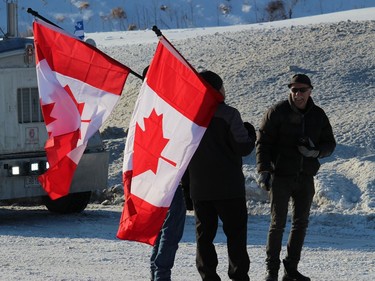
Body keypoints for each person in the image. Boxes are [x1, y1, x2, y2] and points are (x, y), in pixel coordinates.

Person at [256, 74, 336, 281]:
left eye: (302, 90)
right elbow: (262, 143)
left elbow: (330, 144)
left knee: (300, 224)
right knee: (277, 224)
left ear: (310, 90)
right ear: (290, 91)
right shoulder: (277, 112)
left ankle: (290, 270)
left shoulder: (318, 115)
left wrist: (315, 152)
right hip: (281, 176)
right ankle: (271, 271)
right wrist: (264, 170)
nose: (298, 94)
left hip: (305, 177)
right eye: (294, 90)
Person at [186, 70, 256, 281]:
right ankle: (238, 276)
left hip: (200, 188)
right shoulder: (229, 114)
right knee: (236, 237)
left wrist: (186, 188)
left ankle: (208, 276)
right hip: (229, 188)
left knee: (204, 238)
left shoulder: (189, 115)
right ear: (216, 90)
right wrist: (250, 132)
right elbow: (243, 146)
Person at [142, 66, 188, 281]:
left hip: (154, 176)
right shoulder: (162, 107)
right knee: (170, 229)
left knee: (164, 229)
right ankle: (161, 274)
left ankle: (157, 273)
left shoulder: (147, 104)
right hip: (165, 177)